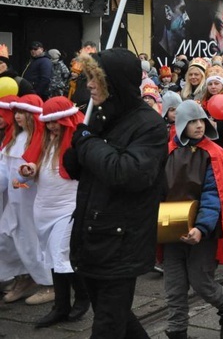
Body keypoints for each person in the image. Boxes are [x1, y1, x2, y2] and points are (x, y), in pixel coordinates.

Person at [62, 48, 169, 338]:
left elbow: (127, 172)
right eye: (88, 78)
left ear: (116, 82)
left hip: (122, 242)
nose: (90, 85)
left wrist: (88, 144)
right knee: (116, 317)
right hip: (93, 234)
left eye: (96, 79)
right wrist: (76, 148)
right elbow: (78, 169)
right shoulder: (100, 115)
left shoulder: (150, 125)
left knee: (107, 325)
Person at [161, 100, 223, 339]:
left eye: (200, 120)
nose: (199, 126)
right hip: (171, 227)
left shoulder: (213, 153)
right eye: (192, 122)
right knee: (174, 286)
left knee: (202, 282)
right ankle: (177, 332)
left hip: (204, 230)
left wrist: (201, 228)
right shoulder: (166, 150)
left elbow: (214, 194)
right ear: (181, 124)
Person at [20, 97, 90, 327]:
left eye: (56, 122)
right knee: (52, 257)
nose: (51, 127)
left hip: (68, 207)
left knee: (61, 254)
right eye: (48, 123)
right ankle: (61, 306)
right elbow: (30, 170)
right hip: (43, 207)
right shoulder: (44, 140)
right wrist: (28, 169)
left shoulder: (77, 142)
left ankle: (81, 297)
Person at [0, 94, 53, 305]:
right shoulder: (14, 139)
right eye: (17, 113)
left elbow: (35, 175)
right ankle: (23, 277)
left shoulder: (41, 140)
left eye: (22, 113)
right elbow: (5, 171)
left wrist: (19, 182)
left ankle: (49, 283)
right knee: (6, 238)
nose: (18, 117)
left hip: (31, 202)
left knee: (33, 242)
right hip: (15, 202)